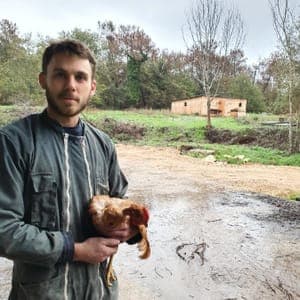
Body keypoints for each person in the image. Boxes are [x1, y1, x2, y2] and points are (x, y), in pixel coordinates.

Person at [0, 39, 140, 299]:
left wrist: (130, 228)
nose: (71, 85)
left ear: (92, 87)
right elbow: (5, 229)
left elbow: (121, 204)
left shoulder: (103, 144)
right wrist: (74, 249)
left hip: (100, 291)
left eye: (80, 77)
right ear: (43, 80)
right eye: (60, 75)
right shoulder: (14, 142)